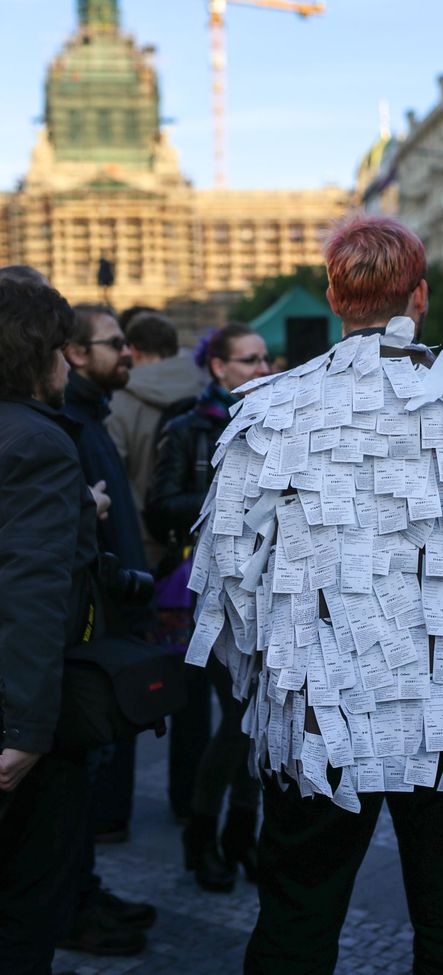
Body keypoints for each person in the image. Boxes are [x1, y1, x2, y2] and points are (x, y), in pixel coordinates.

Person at [186, 216, 443, 974]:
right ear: (421, 296)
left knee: (297, 918)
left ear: (335, 297)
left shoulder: (268, 412)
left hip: (318, 709)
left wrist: (266, 682)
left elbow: (228, 576)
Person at [146, 323, 269, 885]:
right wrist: (227, 497)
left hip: (265, 588)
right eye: (249, 361)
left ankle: (241, 838)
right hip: (208, 592)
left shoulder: (274, 422)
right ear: (218, 367)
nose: (262, 370)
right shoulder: (187, 427)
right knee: (238, 720)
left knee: (260, 718)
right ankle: (204, 840)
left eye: (266, 359)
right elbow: (161, 508)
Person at [0, 267, 96, 974]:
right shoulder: (38, 442)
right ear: (35, 351)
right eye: (62, 347)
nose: (71, 361)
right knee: (25, 910)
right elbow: (32, 590)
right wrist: (27, 730)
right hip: (19, 718)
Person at [62, 304, 156, 956]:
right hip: (84, 626)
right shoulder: (65, 419)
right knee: (72, 788)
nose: (127, 351)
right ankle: (71, 908)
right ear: (73, 351)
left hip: (109, 614)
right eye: (114, 342)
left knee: (85, 783)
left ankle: (82, 893)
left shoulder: (90, 412)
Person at [106, 310, 204, 570]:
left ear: (133, 350)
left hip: (142, 542)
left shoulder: (117, 399)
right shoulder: (208, 390)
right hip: (202, 534)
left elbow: (115, 471)